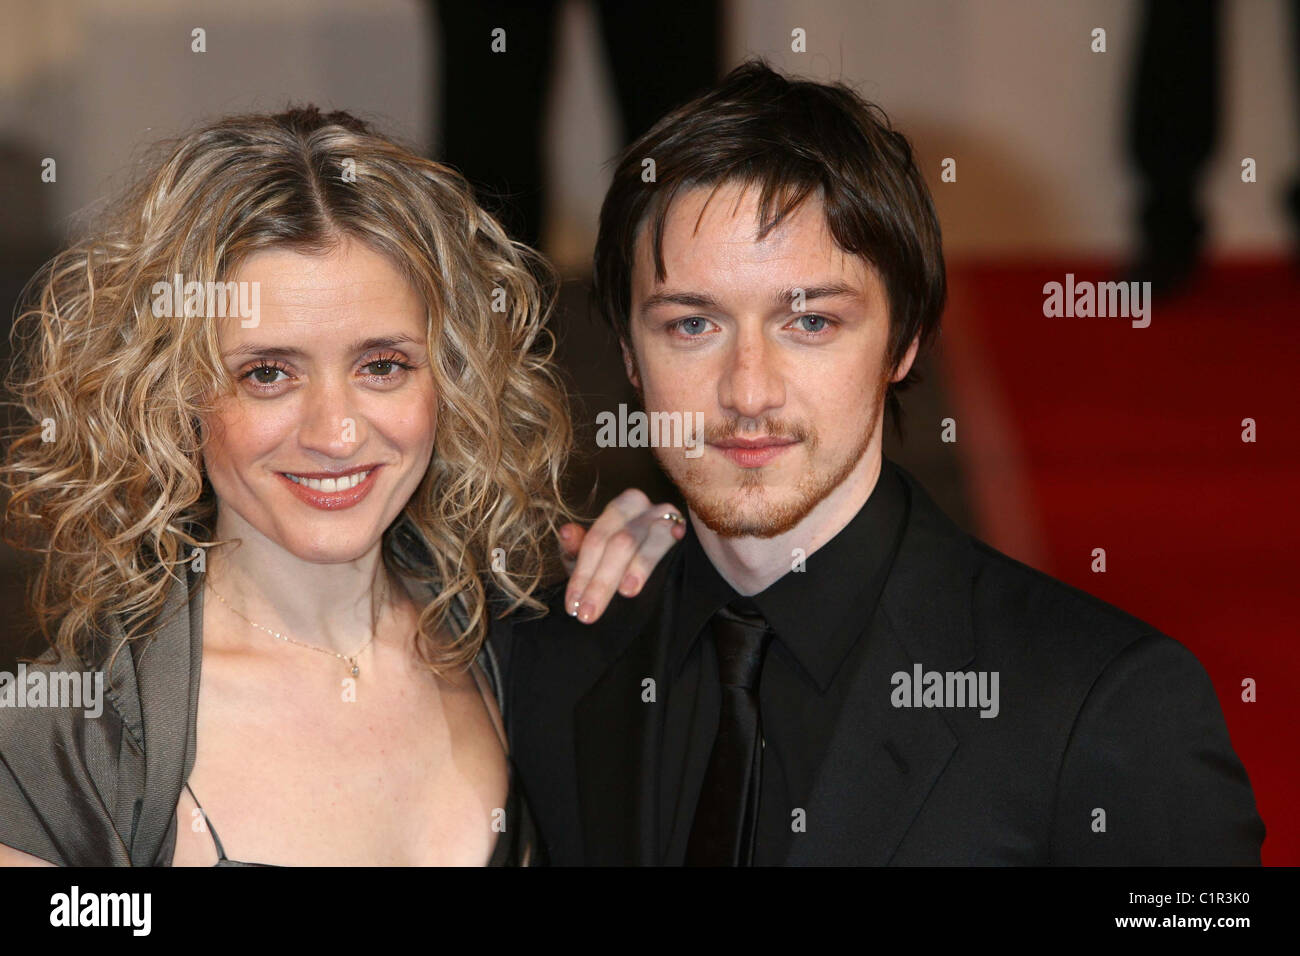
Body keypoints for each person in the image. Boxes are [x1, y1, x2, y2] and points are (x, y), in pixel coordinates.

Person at [499, 61, 1267, 865]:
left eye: (811, 323)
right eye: (693, 326)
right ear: (626, 351)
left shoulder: (1102, 704)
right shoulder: (550, 657)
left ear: (903, 342)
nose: (747, 391)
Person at [0, 106, 682, 866]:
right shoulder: (69, 745)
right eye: (267, 374)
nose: (336, 433)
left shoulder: (524, 654)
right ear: (174, 397)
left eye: (382, 366)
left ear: (451, 379)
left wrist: (684, 580)